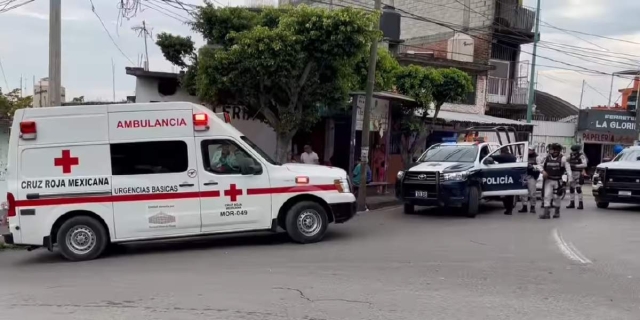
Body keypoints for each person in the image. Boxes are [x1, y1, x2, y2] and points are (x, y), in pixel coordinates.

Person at [540, 143, 572, 219]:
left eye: (554, 150)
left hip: (558, 181)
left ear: (557, 151)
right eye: (552, 149)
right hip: (548, 180)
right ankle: (546, 213)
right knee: (547, 196)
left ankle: (557, 212)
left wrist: (569, 180)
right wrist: (542, 171)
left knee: (556, 197)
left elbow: (568, 169)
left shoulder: (563, 159)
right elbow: (539, 165)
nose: (552, 151)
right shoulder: (546, 158)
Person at [491, 146, 517, 215]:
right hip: (511, 177)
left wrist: (487, 155)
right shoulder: (513, 157)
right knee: (510, 194)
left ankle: (508, 209)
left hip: (504, 177)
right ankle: (509, 209)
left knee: (503, 194)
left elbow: (494, 157)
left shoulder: (502, 157)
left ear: (502, 151)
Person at [518, 146, 540, 214]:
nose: (529, 151)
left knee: (532, 192)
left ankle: (532, 207)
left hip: (532, 176)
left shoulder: (537, 157)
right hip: (524, 176)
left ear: (533, 150)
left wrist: (532, 166)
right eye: (528, 150)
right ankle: (524, 206)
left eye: (530, 150)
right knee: (524, 193)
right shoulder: (524, 157)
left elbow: (539, 167)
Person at [566, 144, 588, 210]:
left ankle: (580, 204)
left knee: (578, 189)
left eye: (575, 151)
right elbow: (566, 162)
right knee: (571, 188)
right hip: (571, 173)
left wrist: (576, 166)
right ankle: (572, 203)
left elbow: (585, 164)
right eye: (572, 151)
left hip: (578, 173)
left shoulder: (581, 156)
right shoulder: (570, 155)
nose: (573, 152)